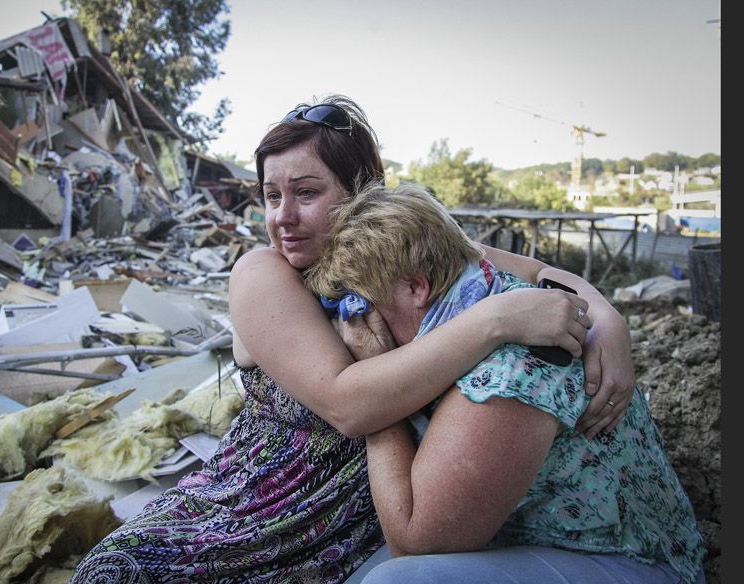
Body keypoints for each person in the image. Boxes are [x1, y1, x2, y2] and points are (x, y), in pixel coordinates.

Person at [71, 95, 636, 583]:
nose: (283, 218)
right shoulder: (264, 274)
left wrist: (609, 322)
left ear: (364, 190)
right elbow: (347, 401)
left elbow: (536, 275)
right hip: (264, 501)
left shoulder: (400, 250)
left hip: (376, 507)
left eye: (306, 192)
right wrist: (494, 322)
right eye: (271, 196)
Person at [304, 181, 705, 583]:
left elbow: (412, 540)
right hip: (543, 543)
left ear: (415, 287)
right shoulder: (482, 294)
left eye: (364, 307)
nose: (359, 327)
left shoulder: (510, 366)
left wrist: (379, 397)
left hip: (633, 562)